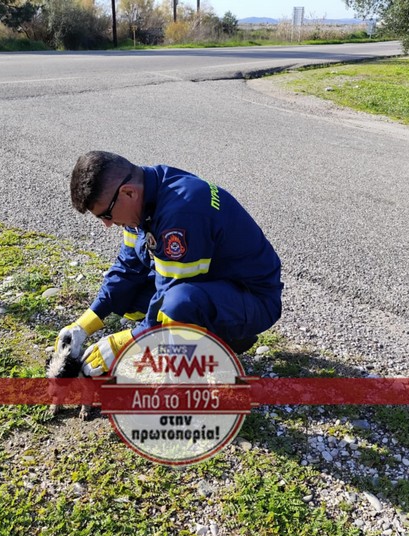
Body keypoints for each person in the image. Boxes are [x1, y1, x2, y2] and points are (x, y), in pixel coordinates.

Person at [57, 151, 283, 377]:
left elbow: (169, 300)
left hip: (253, 299)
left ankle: (192, 371)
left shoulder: (181, 214)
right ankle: (223, 337)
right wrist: (83, 325)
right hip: (211, 285)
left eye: (106, 215)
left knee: (177, 306)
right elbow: (127, 270)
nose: (107, 224)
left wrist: (126, 343)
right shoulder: (143, 200)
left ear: (128, 192)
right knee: (130, 298)